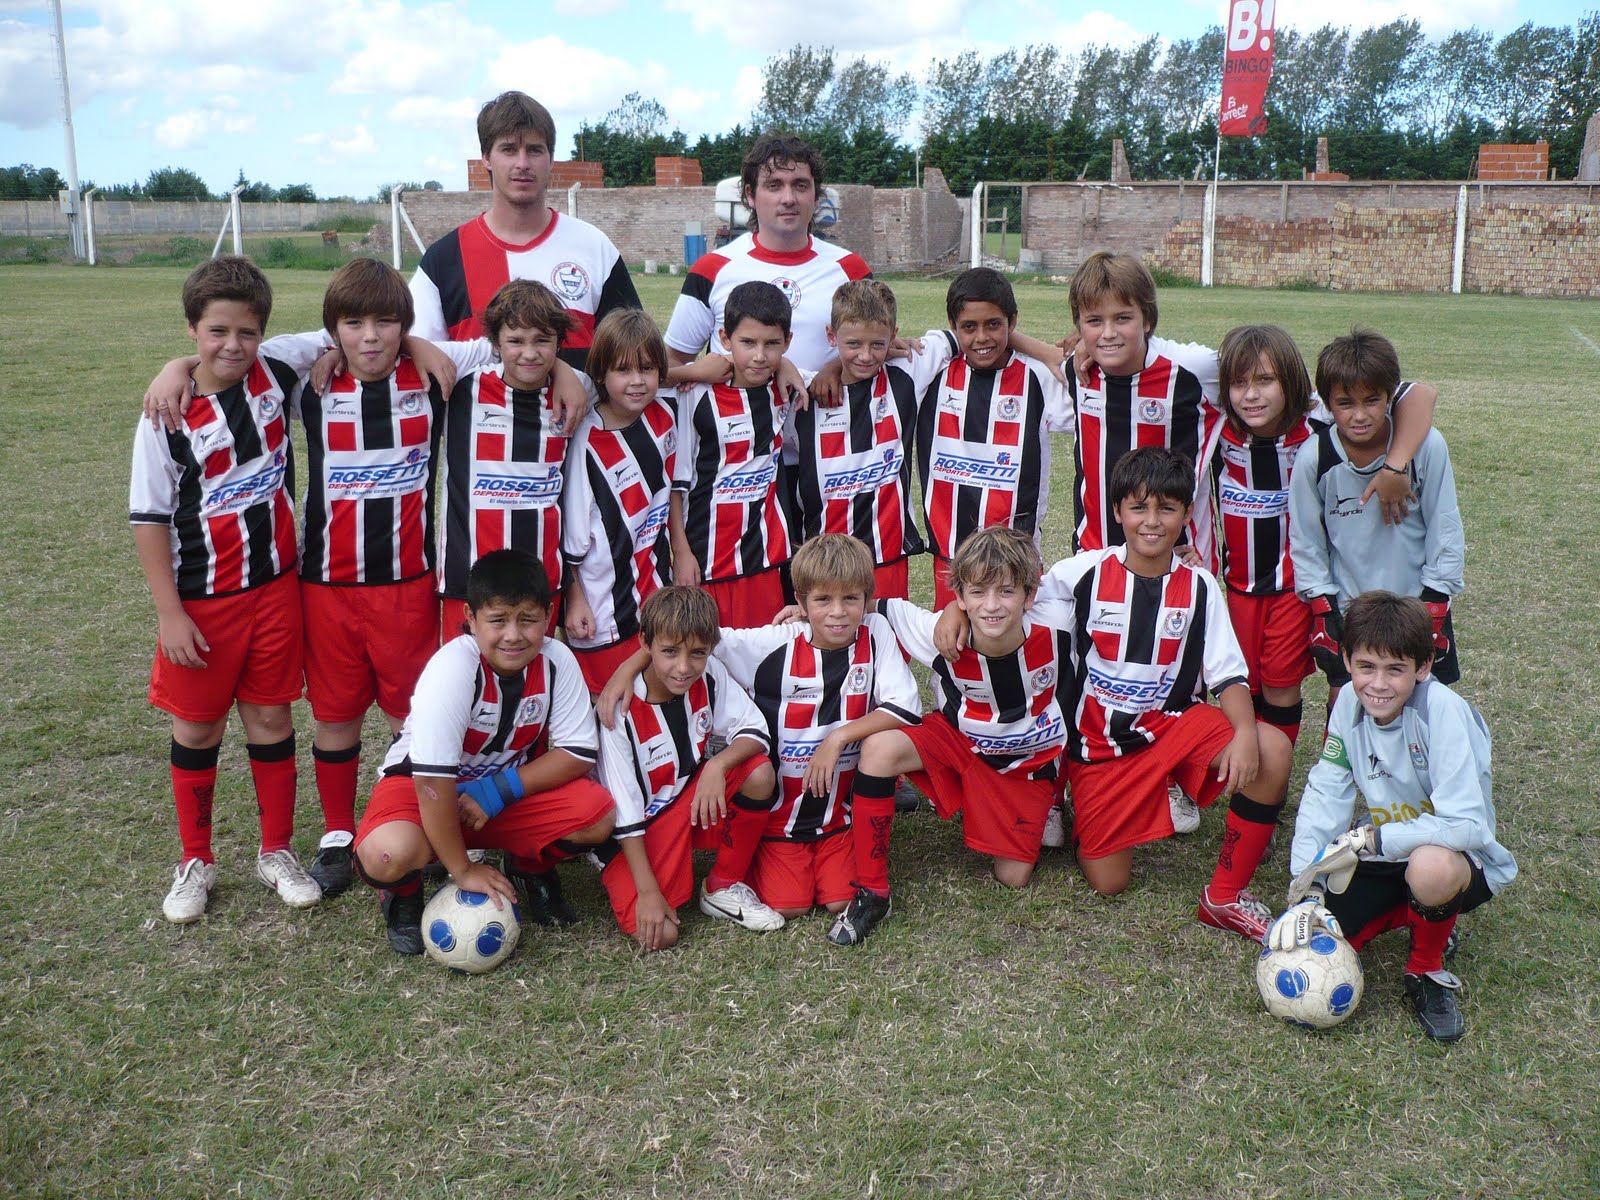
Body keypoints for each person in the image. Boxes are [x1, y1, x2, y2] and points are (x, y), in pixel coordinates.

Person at [1024, 447, 1293, 940]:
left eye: (1166, 509)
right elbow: (1010, 595)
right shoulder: (1081, 573)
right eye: (1138, 507)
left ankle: (1225, 895)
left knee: (1272, 748)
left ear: (1187, 515)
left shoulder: (1201, 585)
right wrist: (957, 610)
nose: (1152, 522)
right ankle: (1095, 804)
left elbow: (1228, 675)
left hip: (1172, 727)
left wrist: (1246, 733)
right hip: (1099, 745)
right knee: (1108, 882)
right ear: (1117, 511)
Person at [130, 256, 318, 922]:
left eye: (245, 331)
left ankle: (275, 850)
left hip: (273, 592)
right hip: (201, 603)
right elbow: (150, 519)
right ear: (191, 330)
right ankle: (196, 859)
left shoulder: (278, 369)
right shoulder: (165, 416)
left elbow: (352, 331)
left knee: (270, 718)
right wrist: (168, 614)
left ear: (263, 332)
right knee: (199, 727)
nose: (231, 345)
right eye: (215, 332)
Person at [1056, 253, 1437, 574]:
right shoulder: (1081, 368)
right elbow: (1038, 354)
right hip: (1095, 555)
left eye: (1123, 318)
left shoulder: (1193, 369)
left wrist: (1396, 464)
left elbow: (1402, 395)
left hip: (1180, 558)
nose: (1108, 333)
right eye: (1094, 322)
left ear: (1148, 320)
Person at [1273, 592, 1514, 1042]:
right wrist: (1303, 888)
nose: (1378, 684)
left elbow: (1468, 825)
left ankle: (1426, 970)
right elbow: (1326, 791)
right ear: (1346, 660)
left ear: (1423, 667)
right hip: (1389, 852)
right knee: (1317, 927)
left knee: (1431, 866)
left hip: (1461, 859)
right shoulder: (1347, 703)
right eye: (1366, 667)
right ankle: (1424, 918)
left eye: (1395, 669)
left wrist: (1378, 839)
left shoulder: (1442, 711)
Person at [352, 549, 615, 954]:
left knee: (595, 817)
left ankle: (530, 867)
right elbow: (432, 783)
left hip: (498, 795)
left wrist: (498, 790)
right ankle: (403, 893)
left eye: (527, 620)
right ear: (471, 619)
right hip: (423, 790)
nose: (513, 635)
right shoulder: (452, 668)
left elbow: (578, 752)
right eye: (497, 621)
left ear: (547, 617)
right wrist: (463, 870)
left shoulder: (557, 659)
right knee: (387, 855)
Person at [831, 527, 1072, 946]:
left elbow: (1110, 574)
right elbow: (868, 607)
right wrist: (806, 613)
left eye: (1006, 592)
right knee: (880, 749)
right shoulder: (942, 632)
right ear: (959, 595)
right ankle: (872, 889)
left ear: (1029, 596)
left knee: (1013, 877)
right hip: (959, 742)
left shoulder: (1060, 624)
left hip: (1022, 767)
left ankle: (1052, 804)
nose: (992, 606)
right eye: (977, 592)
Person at [594, 587, 784, 949]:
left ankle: (722, 885)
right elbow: (626, 810)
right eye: (669, 652)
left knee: (759, 772)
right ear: (645, 644)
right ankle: (614, 867)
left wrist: (718, 763)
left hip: (688, 797)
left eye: (697, 653)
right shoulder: (619, 711)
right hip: (640, 828)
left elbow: (755, 730)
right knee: (662, 936)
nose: (684, 667)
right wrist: (649, 893)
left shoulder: (709, 673)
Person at [1289, 328, 1465, 705]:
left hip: (1416, 603)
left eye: (1372, 400)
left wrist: (1434, 603)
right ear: (1326, 402)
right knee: (1348, 708)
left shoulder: (1425, 445)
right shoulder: (1314, 458)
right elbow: (1306, 542)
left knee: (1424, 709)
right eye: (1345, 403)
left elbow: (1444, 525)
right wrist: (1322, 605)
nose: (1359, 415)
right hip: (1351, 607)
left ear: (1390, 397)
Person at [410, 91, 640, 367]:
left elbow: (633, 356)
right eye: (508, 149)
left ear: (551, 159)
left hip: (581, 412)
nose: (522, 163)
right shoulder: (445, 259)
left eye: (534, 150)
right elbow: (413, 356)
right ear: (486, 157)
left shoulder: (594, 247)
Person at [915, 267, 1072, 609]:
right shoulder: (932, 371)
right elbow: (870, 352)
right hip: (950, 555)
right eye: (969, 327)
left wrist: (1049, 351)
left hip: (1016, 556)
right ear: (954, 327)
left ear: (1012, 322)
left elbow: (1091, 397)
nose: (982, 337)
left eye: (994, 325)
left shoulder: (1038, 377)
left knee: (1015, 652)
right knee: (957, 648)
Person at [788, 279, 950, 603]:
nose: (865, 355)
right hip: (823, 560)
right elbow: (746, 365)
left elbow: (959, 337)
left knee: (885, 645)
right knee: (830, 646)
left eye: (877, 344)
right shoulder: (802, 394)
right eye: (853, 344)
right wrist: (820, 366)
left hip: (887, 555)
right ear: (831, 336)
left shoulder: (908, 370)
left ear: (893, 336)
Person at [664, 134, 869, 374]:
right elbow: (673, 361)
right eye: (774, 186)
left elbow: (875, 347)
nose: (789, 199)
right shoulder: (711, 269)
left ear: (816, 198)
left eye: (800, 186)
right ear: (750, 195)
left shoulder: (851, 270)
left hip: (831, 413)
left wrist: (833, 369)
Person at [1212, 324, 1320, 747]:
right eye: (1239, 383)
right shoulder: (1218, 433)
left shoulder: (1316, 430)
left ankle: (1273, 772)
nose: (1251, 395)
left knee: (1280, 684)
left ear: (1290, 381)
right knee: (1244, 685)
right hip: (1237, 587)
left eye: (1265, 380)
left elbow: (1403, 394)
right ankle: (1252, 763)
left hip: (1292, 589)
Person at [561, 309, 679, 692]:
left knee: (652, 693)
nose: (636, 382)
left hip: (655, 587)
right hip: (602, 603)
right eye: (623, 370)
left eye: (646, 369)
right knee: (607, 704)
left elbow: (674, 488)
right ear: (601, 374)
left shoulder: (666, 413)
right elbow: (574, 539)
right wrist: (574, 597)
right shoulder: (586, 442)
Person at [669, 280, 797, 626]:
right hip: (706, 557)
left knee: (763, 657)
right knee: (708, 658)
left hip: (765, 558)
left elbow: (848, 366)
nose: (759, 355)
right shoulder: (695, 395)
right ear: (725, 339)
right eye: (747, 342)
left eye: (772, 344)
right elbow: (677, 486)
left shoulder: (784, 389)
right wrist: (681, 552)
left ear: (788, 342)